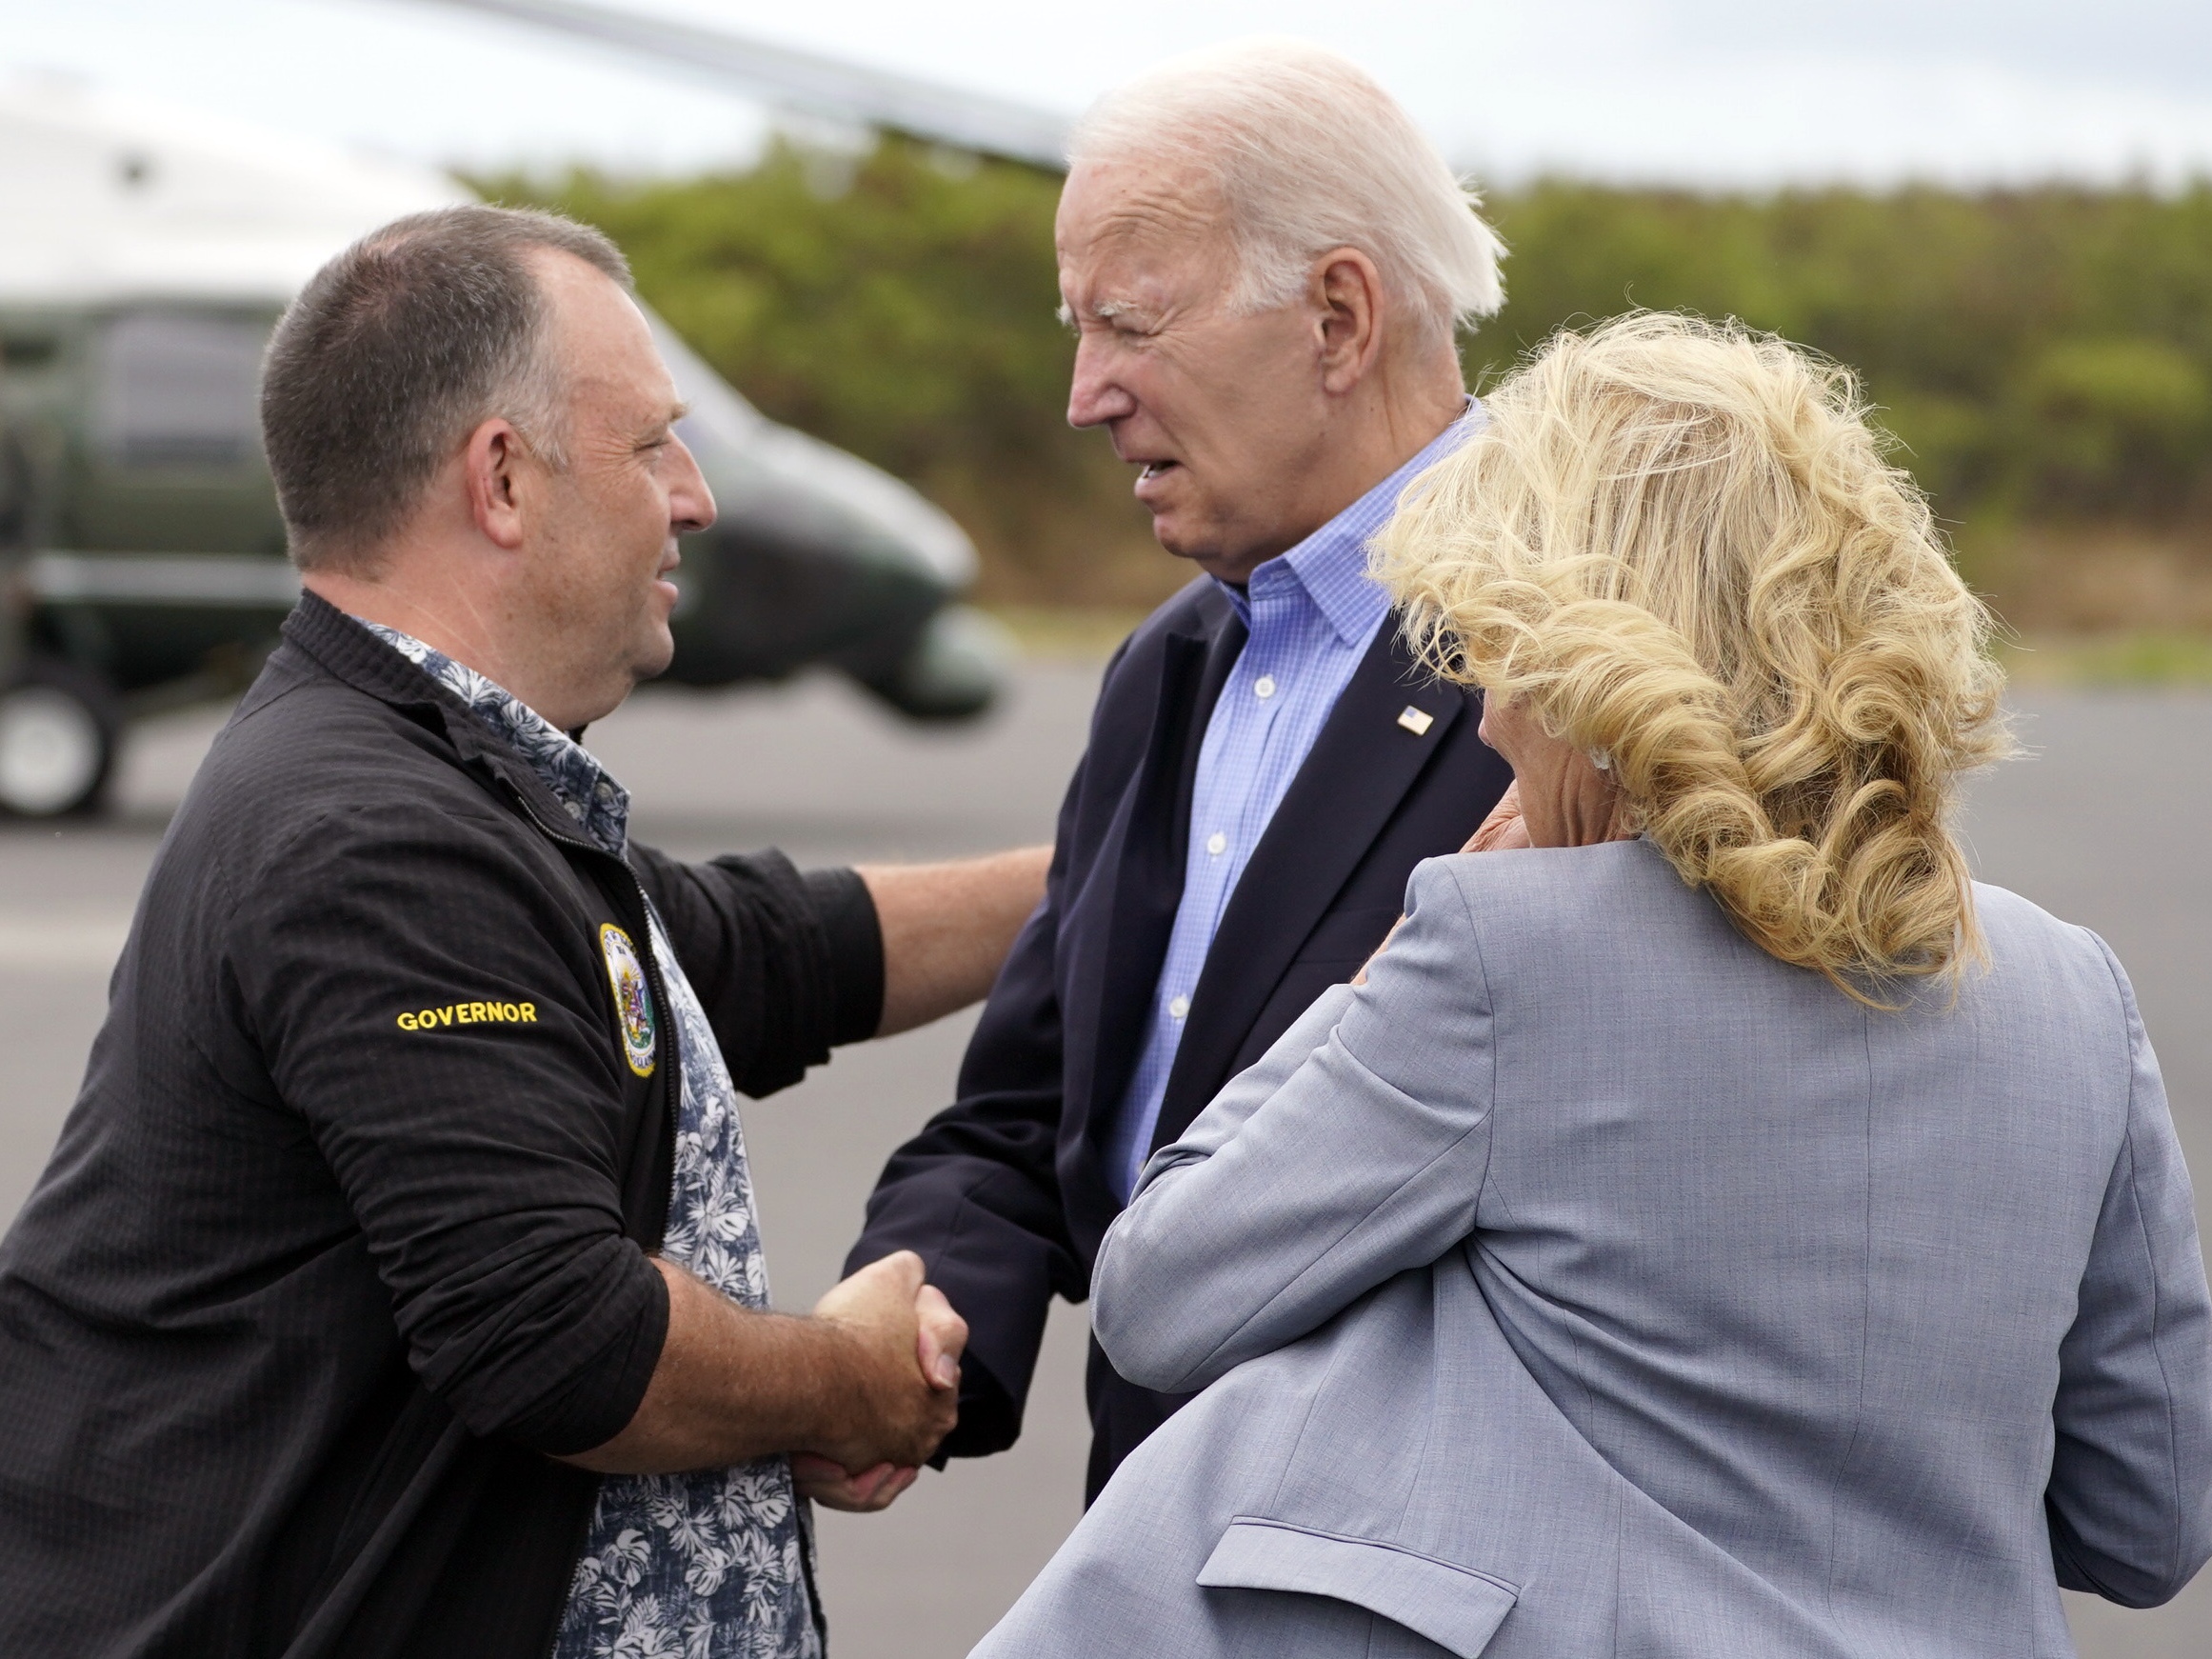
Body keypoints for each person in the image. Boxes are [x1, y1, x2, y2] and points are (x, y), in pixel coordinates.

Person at [975, 312, 2212, 1658]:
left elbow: (1160, 1295)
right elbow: (2149, 1521)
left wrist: (1379, 968)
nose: (1485, 713)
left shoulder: (1507, 953)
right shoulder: (2068, 993)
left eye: (1491, 651)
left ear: (1584, 667)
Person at [0, 206, 1051, 1659]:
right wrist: (856, 1379)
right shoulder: (373, 835)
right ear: (501, 478)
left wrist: (1109, 878)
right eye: (652, 445)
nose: (696, 496)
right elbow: (561, 1341)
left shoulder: (440, 782)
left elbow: (747, 951)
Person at [846, 38, 1516, 1501]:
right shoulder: (1175, 661)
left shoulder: (1584, 662)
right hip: (1164, 1545)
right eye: (1076, 328)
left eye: (1129, 324)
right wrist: (913, 1330)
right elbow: (1038, 1109)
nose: (1085, 394)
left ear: (1339, 317)